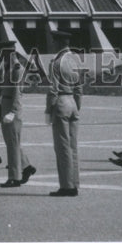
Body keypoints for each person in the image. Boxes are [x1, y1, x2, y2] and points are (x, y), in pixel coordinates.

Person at [45, 27, 81, 196]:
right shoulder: (74, 60)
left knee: (62, 147)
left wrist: (48, 109)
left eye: (54, 41)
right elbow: (80, 87)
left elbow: (53, 89)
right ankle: (74, 183)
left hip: (61, 102)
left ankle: (66, 186)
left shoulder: (56, 62)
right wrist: (77, 105)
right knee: (73, 146)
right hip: (73, 101)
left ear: (58, 43)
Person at [0, 41, 36, 189]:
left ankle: (14, 177)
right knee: (12, 143)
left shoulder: (17, 68)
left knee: (12, 144)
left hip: (12, 108)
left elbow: (17, 93)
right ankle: (26, 167)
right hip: (5, 105)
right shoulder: (8, 67)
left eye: (3, 53)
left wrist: (12, 112)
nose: (2, 56)